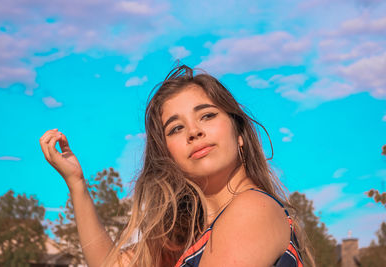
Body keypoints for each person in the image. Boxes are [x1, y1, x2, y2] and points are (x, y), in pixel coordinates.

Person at [40, 64, 314, 267]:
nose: (193, 132)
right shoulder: (189, 238)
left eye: (207, 115)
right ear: (167, 156)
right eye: (176, 128)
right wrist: (77, 184)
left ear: (239, 133)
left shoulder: (252, 208)